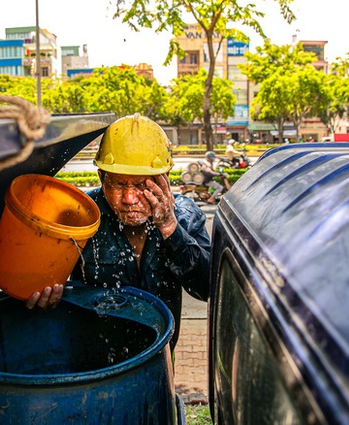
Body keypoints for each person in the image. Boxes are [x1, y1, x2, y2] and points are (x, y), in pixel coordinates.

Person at [26, 113, 211, 350]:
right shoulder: (81, 214)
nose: (129, 199)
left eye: (142, 185)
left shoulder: (184, 215)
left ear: (163, 179)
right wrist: (46, 296)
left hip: (159, 354)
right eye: (118, 184)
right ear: (101, 177)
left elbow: (206, 288)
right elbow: (44, 281)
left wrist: (170, 228)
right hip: (94, 358)